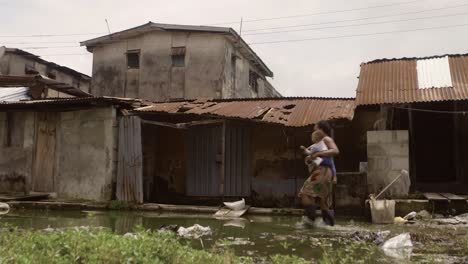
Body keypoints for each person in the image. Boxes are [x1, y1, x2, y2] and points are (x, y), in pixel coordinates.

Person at [298, 120, 339, 226]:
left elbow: (335, 151)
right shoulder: (318, 143)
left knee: (305, 193)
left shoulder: (326, 139)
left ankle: (310, 221)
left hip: (323, 171)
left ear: (321, 129)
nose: (314, 129)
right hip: (322, 171)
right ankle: (329, 224)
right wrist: (310, 158)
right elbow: (312, 155)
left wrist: (317, 154)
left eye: (315, 127)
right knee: (321, 199)